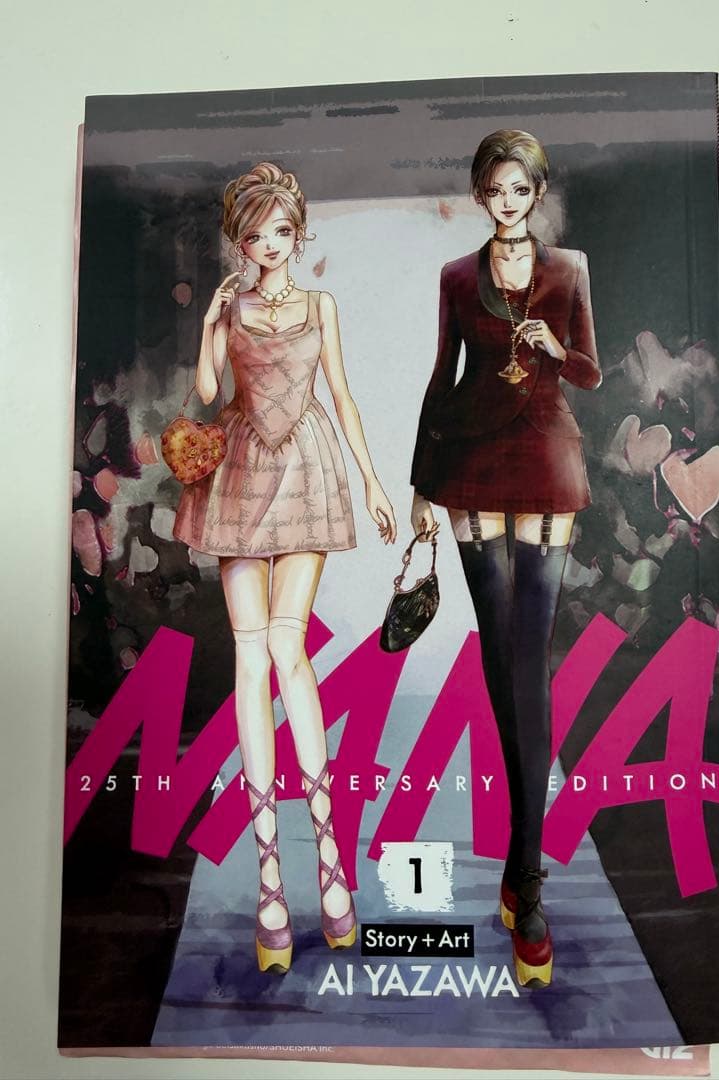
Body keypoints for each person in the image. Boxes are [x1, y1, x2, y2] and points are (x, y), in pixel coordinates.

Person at [173, 162, 396, 974]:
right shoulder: (233, 308)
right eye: (255, 233)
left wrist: (371, 481)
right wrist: (210, 323)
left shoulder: (320, 305)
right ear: (240, 241)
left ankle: (328, 857)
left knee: (287, 648)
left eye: (280, 230)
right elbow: (208, 393)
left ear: (298, 234)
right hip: (239, 472)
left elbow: (342, 396)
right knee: (250, 658)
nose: (269, 244)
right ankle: (270, 873)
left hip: (305, 470)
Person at [409, 130, 601, 988]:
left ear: (537, 192)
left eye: (521, 188)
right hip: (472, 467)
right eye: (495, 189)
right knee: (501, 659)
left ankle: (527, 878)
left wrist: (558, 351)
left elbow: (590, 373)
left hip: (549, 460)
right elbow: (441, 376)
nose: (508, 201)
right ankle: (523, 871)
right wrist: (421, 485)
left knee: (531, 663)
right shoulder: (458, 276)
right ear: (481, 195)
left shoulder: (571, 271)